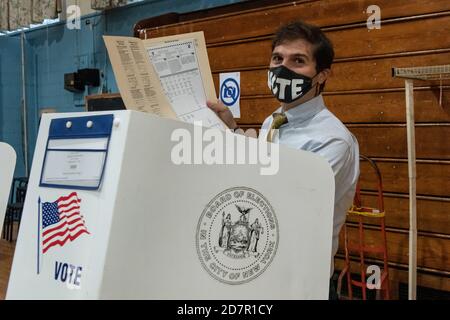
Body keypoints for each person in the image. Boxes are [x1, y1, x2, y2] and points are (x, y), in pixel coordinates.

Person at [207, 20, 360, 300]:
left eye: (298, 60)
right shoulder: (273, 121)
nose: (283, 68)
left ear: (322, 75)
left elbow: (284, 204)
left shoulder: (332, 139)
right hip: (262, 272)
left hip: (302, 283)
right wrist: (232, 129)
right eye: (277, 58)